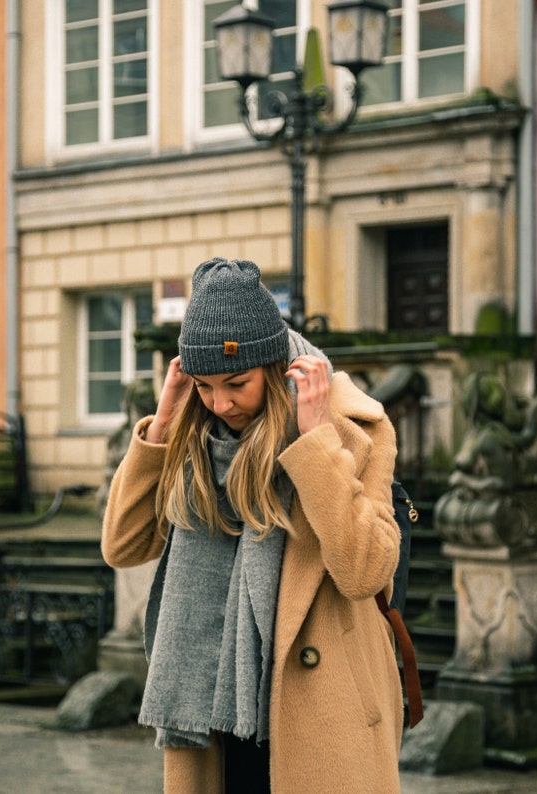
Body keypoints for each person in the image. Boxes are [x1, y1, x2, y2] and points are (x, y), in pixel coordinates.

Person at [102, 257, 404, 793]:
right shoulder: (193, 441)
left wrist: (315, 444)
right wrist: (162, 426)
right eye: (203, 385)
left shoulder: (354, 429)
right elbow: (123, 546)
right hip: (218, 723)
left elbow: (366, 571)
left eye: (237, 383)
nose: (221, 403)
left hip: (323, 719)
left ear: (273, 364)